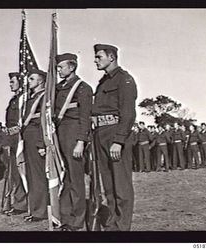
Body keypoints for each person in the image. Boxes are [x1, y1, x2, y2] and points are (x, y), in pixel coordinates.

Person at [92, 44, 137, 231]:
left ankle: (122, 226)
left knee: (121, 184)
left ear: (111, 57)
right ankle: (112, 223)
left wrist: (119, 140)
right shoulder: (103, 82)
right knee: (108, 184)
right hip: (100, 134)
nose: (95, 60)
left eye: (99, 56)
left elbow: (128, 113)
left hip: (115, 134)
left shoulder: (124, 80)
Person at [55, 53, 93, 231]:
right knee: (65, 178)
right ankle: (65, 217)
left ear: (72, 67)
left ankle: (77, 222)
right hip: (60, 135)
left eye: (61, 67)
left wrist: (80, 141)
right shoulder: (57, 88)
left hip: (73, 136)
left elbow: (85, 117)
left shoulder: (82, 88)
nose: (59, 70)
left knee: (76, 180)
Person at [22, 68, 48, 222]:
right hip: (28, 139)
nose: (28, 81)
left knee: (38, 176)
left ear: (40, 81)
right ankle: (35, 208)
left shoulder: (43, 97)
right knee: (31, 176)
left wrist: (40, 144)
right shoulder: (32, 98)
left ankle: (40, 211)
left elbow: (42, 122)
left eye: (32, 79)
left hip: (36, 139)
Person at [2, 72, 28, 215]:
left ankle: (25, 203)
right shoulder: (14, 99)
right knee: (14, 173)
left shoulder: (24, 99)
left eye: (13, 82)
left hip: (21, 139)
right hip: (13, 139)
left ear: (21, 82)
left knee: (23, 171)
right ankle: (19, 203)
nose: (10, 84)